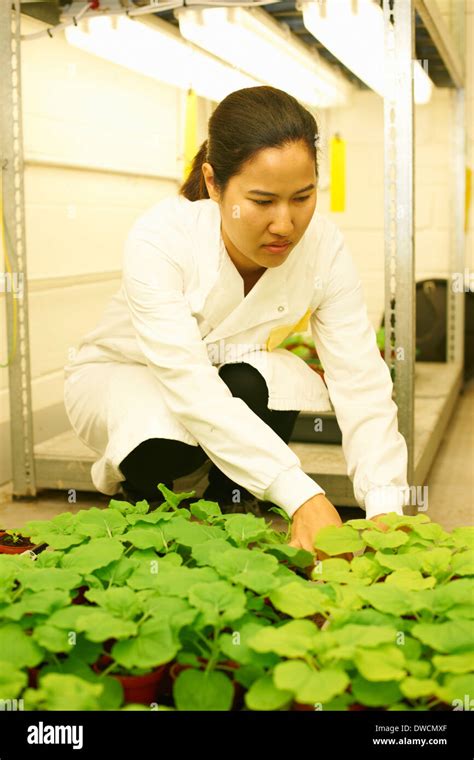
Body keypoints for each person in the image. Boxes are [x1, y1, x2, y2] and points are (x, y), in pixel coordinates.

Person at [63, 85, 409, 557]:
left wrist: (386, 503)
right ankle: (149, 506)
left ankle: (230, 505)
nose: (285, 224)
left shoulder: (324, 249)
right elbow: (188, 382)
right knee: (160, 423)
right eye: (263, 201)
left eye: (303, 197)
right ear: (212, 183)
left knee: (271, 377)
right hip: (126, 376)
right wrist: (301, 493)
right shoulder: (163, 237)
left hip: (222, 375)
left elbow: (360, 380)